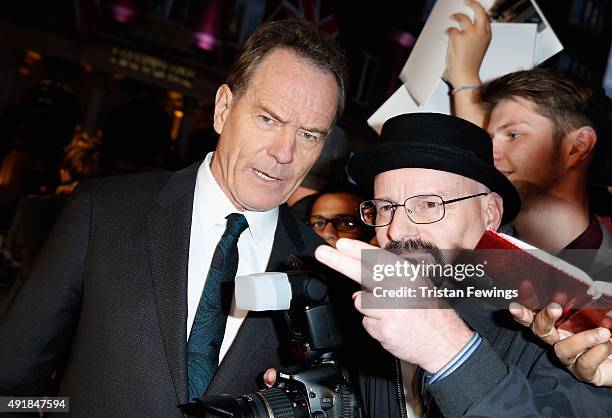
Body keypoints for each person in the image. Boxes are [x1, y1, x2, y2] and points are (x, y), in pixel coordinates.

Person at [0, 19, 347, 416]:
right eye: (268, 119)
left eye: (309, 135)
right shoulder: (104, 213)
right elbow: (11, 385)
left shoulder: (324, 274)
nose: (284, 153)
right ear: (223, 109)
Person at [312, 113, 612, 417]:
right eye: (386, 208)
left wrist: (451, 354)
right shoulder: (365, 300)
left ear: (490, 213)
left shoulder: (564, 318)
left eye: (429, 204)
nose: (396, 230)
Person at [307, 183, 373, 247]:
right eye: (318, 224)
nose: (327, 234)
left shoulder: (377, 256)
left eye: (346, 223)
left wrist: (373, 255)